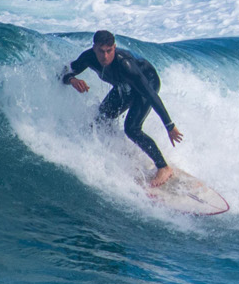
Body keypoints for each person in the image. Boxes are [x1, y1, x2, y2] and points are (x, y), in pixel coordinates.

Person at [60, 30, 184, 187]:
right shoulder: (88, 58)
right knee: (102, 118)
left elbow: (151, 96)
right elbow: (64, 73)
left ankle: (163, 167)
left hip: (148, 83)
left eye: (109, 51)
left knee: (132, 128)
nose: (105, 56)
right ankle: (122, 150)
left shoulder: (126, 65)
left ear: (114, 47)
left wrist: (169, 125)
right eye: (101, 51)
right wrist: (72, 79)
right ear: (94, 48)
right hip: (124, 86)